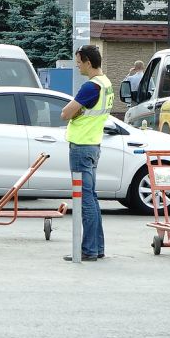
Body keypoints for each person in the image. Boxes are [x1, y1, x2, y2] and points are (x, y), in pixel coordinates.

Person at [59, 43, 112, 262]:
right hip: (94, 144)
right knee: (92, 197)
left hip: (81, 146)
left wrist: (75, 110)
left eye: (79, 63)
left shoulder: (90, 87)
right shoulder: (106, 83)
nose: (78, 67)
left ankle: (88, 250)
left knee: (84, 200)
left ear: (88, 63)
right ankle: (97, 247)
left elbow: (65, 113)